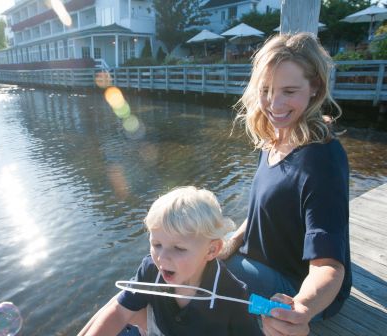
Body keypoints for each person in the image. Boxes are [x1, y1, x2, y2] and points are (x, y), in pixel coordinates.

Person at [222, 32, 351, 336]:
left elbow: (328, 266)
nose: (273, 103)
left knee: (195, 266)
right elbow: (258, 214)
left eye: (289, 91)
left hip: (295, 288)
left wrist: (302, 307)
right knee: (190, 251)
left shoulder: (322, 160)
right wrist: (231, 242)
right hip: (260, 262)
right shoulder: (274, 138)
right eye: (266, 90)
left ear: (315, 87)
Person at [78, 186, 262, 336]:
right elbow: (119, 312)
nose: (161, 257)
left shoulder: (232, 294)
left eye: (179, 248)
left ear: (212, 250)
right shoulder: (150, 270)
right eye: (156, 244)